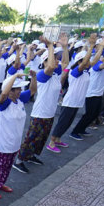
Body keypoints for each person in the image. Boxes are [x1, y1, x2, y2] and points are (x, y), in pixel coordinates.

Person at [14, 36, 68, 170]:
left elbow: (66, 63)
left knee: (41, 138)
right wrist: (50, 46)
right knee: (32, 137)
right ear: (45, 62)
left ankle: (31, 155)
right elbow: (50, 66)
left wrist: (65, 48)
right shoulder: (42, 75)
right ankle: (19, 160)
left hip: (49, 113)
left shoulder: (55, 74)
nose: (57, 60)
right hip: (40, 113)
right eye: (55, 58)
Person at [0, 71, 37, 199]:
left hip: (15, 140)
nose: (20, 91)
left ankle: (0, 183)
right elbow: (4, 93)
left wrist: (33, 77)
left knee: (7, 165)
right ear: (10, 91)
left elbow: (33, 90)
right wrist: (13, 77)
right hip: (3, 140)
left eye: (20, 88)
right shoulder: (4, 103)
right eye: (17, 89)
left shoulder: (20, 99)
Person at [48, 34, 103, 149]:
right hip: (70, 101)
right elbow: (84, 63)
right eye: (86, 61)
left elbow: (94, 61)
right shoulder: (75, 72)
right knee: (62, 123)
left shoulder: (86, 71)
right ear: (79, 62)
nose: (89, 63)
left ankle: (58, 139)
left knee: (68, 123)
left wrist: (101, 47)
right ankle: (52, 142)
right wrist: (92, 45)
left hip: (77, 102)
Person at [70, 38, 104, 140]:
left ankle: (81, 129)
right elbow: (103, 63)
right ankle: (75, 131)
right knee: (88, 114)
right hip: (91, 93)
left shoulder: (102, 64)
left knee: (94, 114)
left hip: (98, 93)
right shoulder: (97, 65)